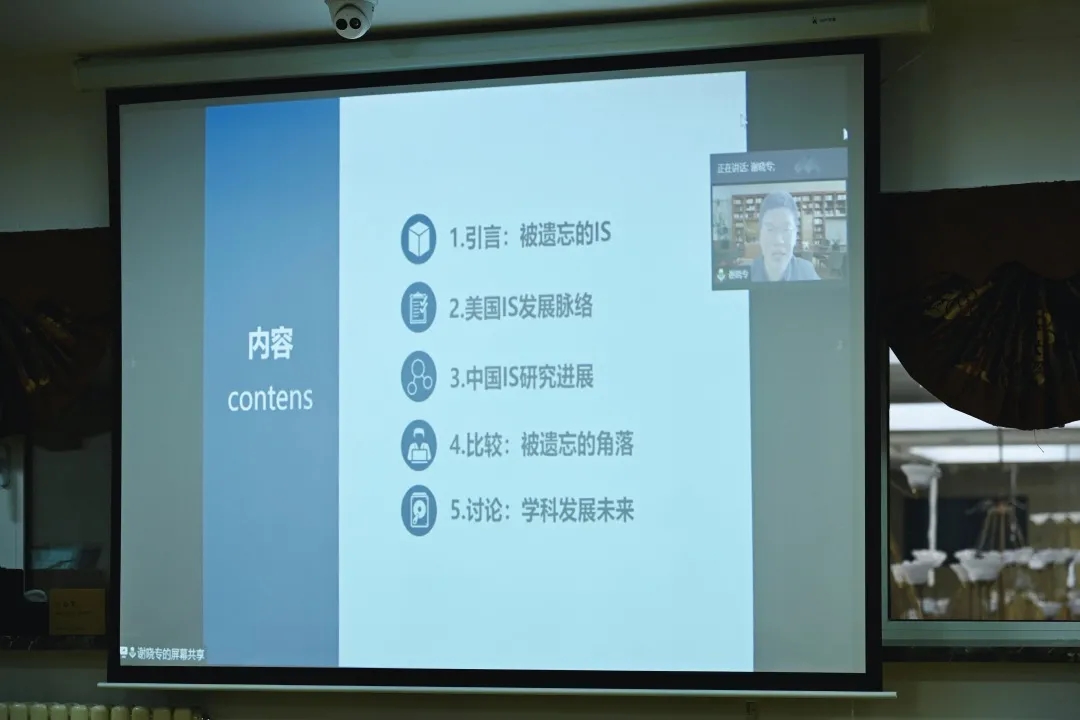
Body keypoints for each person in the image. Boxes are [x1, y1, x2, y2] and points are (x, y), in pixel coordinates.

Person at [750, 191, 820, 282]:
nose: (778, 240)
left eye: (786, 229)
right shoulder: (746, 274)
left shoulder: (807, 273)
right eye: (770, 229)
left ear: (795, 235)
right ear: (760, 234)